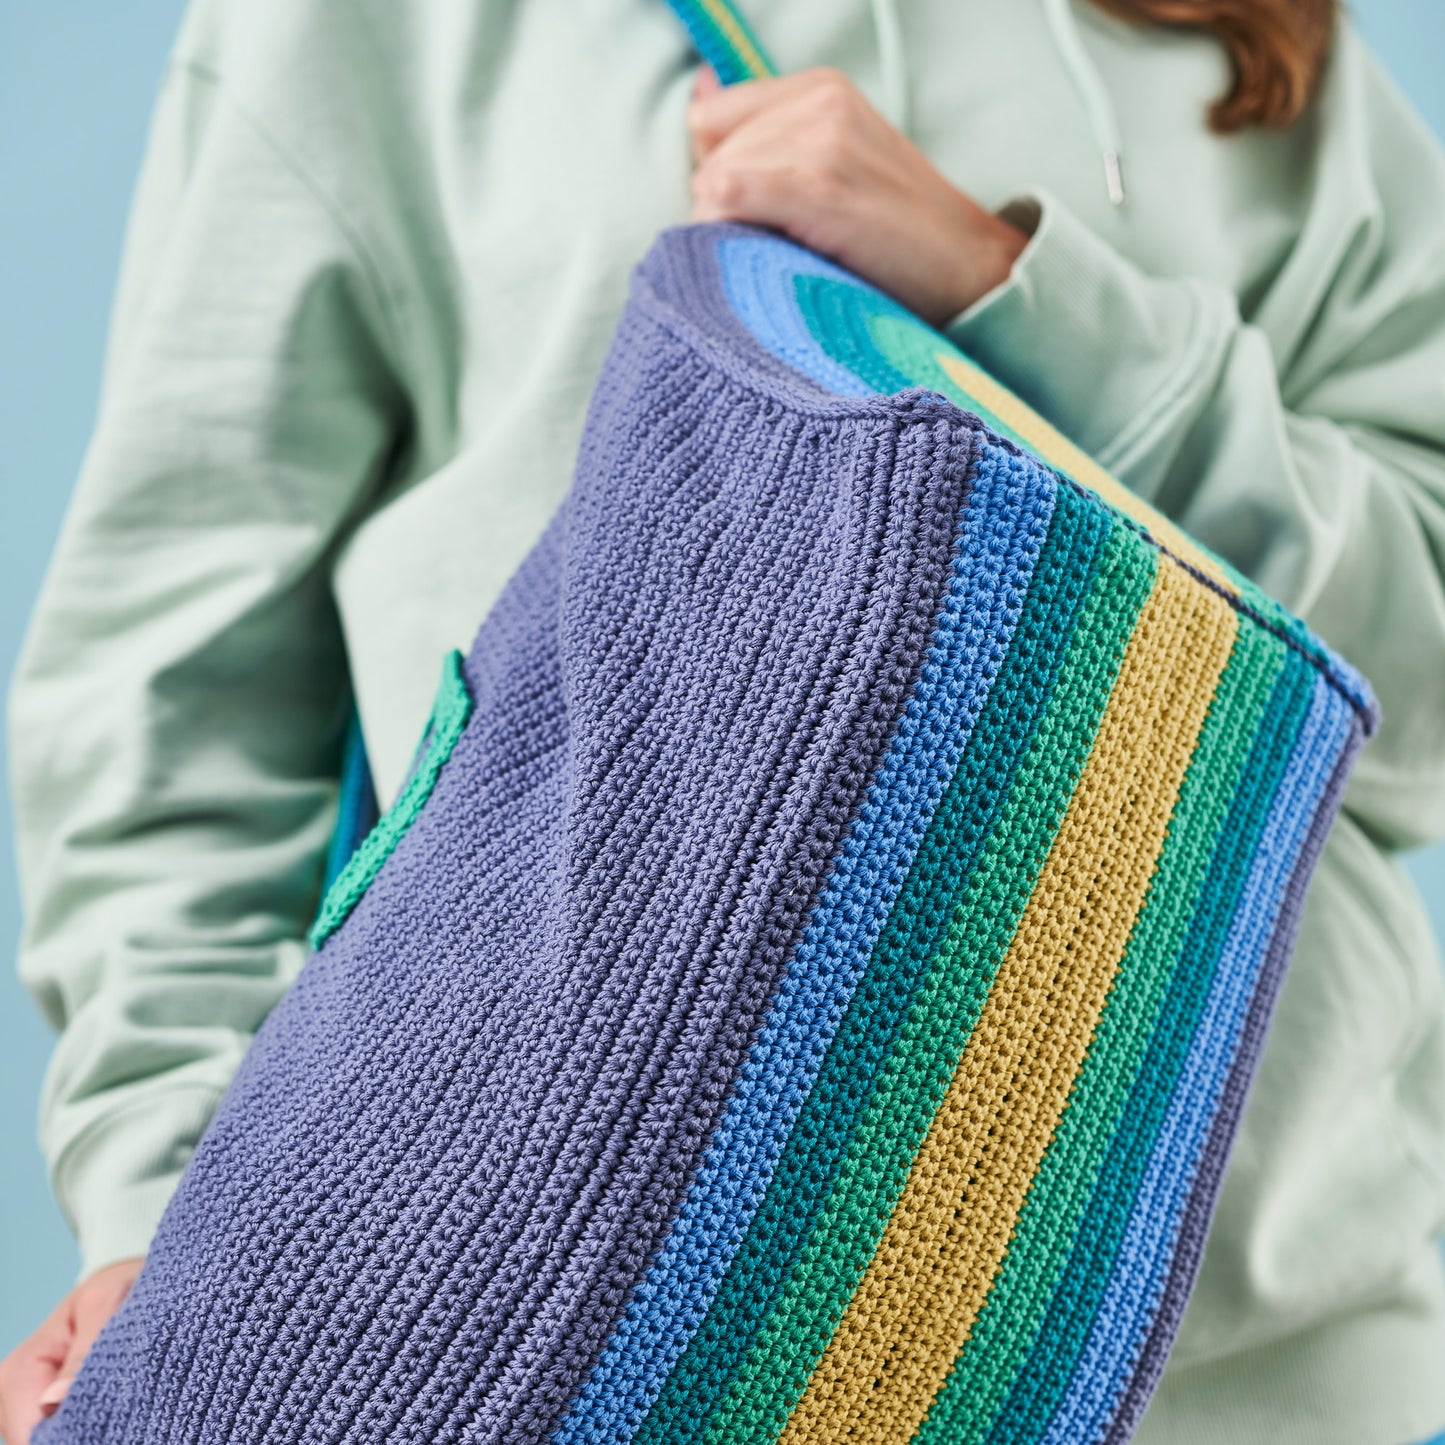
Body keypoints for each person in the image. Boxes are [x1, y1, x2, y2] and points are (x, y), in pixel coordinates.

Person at [4, 0, 1445, 1441]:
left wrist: (1001, 283)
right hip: (589, 1349)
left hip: (1274, 1363)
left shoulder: (1253, 49)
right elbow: (171, 703)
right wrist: (158, 1202)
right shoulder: (370, 28)